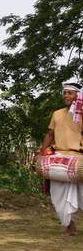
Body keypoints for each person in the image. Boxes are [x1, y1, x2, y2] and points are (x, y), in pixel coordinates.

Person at [39, 82, 83, 235]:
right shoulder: (57, 113)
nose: (65, 96)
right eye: (64, 93)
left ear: (77, 95)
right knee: (57, 195)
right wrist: (41, 152)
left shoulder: (81, 114)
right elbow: (50, 135)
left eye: (69, 93)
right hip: (59, 159)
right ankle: (69, 225)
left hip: (78, 159)